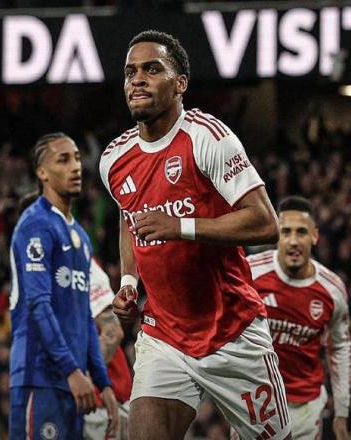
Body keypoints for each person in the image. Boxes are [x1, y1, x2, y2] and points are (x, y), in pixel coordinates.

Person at [99, 30, 292, 440]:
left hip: (233, 333)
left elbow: (265, 223)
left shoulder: (208, 138)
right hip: (164, 336)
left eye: (152, 69)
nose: (137, 80)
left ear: (180, 83)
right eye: (131, 72)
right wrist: (129, 281)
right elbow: (128, 219)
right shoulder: (114, 159)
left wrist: (180, 228)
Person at [9, 132, 118, 439]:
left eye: (78, 159)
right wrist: (71, 370)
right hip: (40, 377)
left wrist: (102, 381)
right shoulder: (35, 224)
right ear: (42, 173)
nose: (76, 167)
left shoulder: (80, 237)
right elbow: (38, 304)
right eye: (64, 160)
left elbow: (85, 316)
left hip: (76, 382)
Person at [247, 196, 351, 440]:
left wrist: (342, 412)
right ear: (276, 234)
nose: (293, 241)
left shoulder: (332, 289)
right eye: (286, 232)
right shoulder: (249, 272)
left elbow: (339, 348)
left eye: (301, 232)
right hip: (256, 399)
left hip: (306, 406)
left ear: (314, 236)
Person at [84, 258, 132, 440]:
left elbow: (112, 332)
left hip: (102, 404)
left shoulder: (80, 259)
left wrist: (83, 378)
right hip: (72, 400)